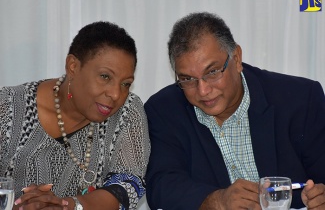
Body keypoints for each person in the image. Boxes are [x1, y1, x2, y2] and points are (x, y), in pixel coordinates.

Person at [144, 12, 325, 210]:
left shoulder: (300, 98)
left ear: (237, 59)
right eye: (187, 79)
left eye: (212, 72)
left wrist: (320, 197)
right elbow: (161, 185)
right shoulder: (163, 110)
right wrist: (217, 200)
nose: (203, 90)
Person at [0, 21, 150, 210]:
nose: (115, 94)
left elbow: (129, 184)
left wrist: (68, 206)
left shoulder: (127, 111)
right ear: (73, 66)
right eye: (105, 77)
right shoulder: (9, 106)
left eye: (125, 84)